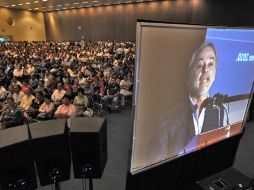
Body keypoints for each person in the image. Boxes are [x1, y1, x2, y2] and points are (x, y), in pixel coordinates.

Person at [157, 42, 227, 162]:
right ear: (189, 74)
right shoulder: (167, 119)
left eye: (210, 64)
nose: (206, 70)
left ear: (215, 72)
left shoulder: (220, 110)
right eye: (200, 66)